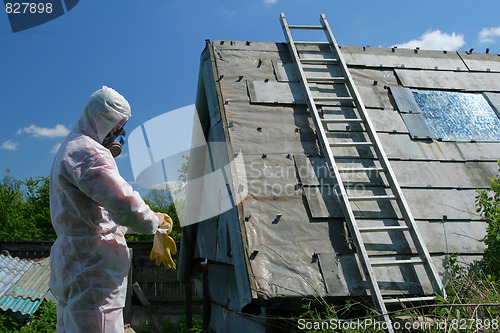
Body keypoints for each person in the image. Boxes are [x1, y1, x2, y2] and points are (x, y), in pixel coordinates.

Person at [49, 86, 165, 332]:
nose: (120, 135)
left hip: (73, 260)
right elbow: (126, 206)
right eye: (117, 127)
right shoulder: (90, 153)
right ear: (104, 120)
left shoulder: (69, 147)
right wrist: (154, 221)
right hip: (92, 267)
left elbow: (96, 216)